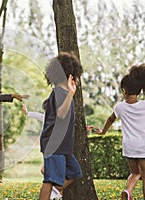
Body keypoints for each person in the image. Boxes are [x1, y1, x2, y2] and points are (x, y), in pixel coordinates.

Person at [95, 64, 145, 200]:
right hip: (143, 147)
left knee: (135, 173)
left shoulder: (120, 107)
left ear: (124, 91)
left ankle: (127, 191)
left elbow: (110, 119)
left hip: (129, 147)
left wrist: (103, 132)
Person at [39, 52, 83, 200]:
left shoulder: (62, 92)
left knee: (74, 172)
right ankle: (51, 193)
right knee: (50, 181)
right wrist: (71, 94)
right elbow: (61, 114)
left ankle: (54, 194)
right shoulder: (60, 92)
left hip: (63, 146)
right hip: (55, 144)